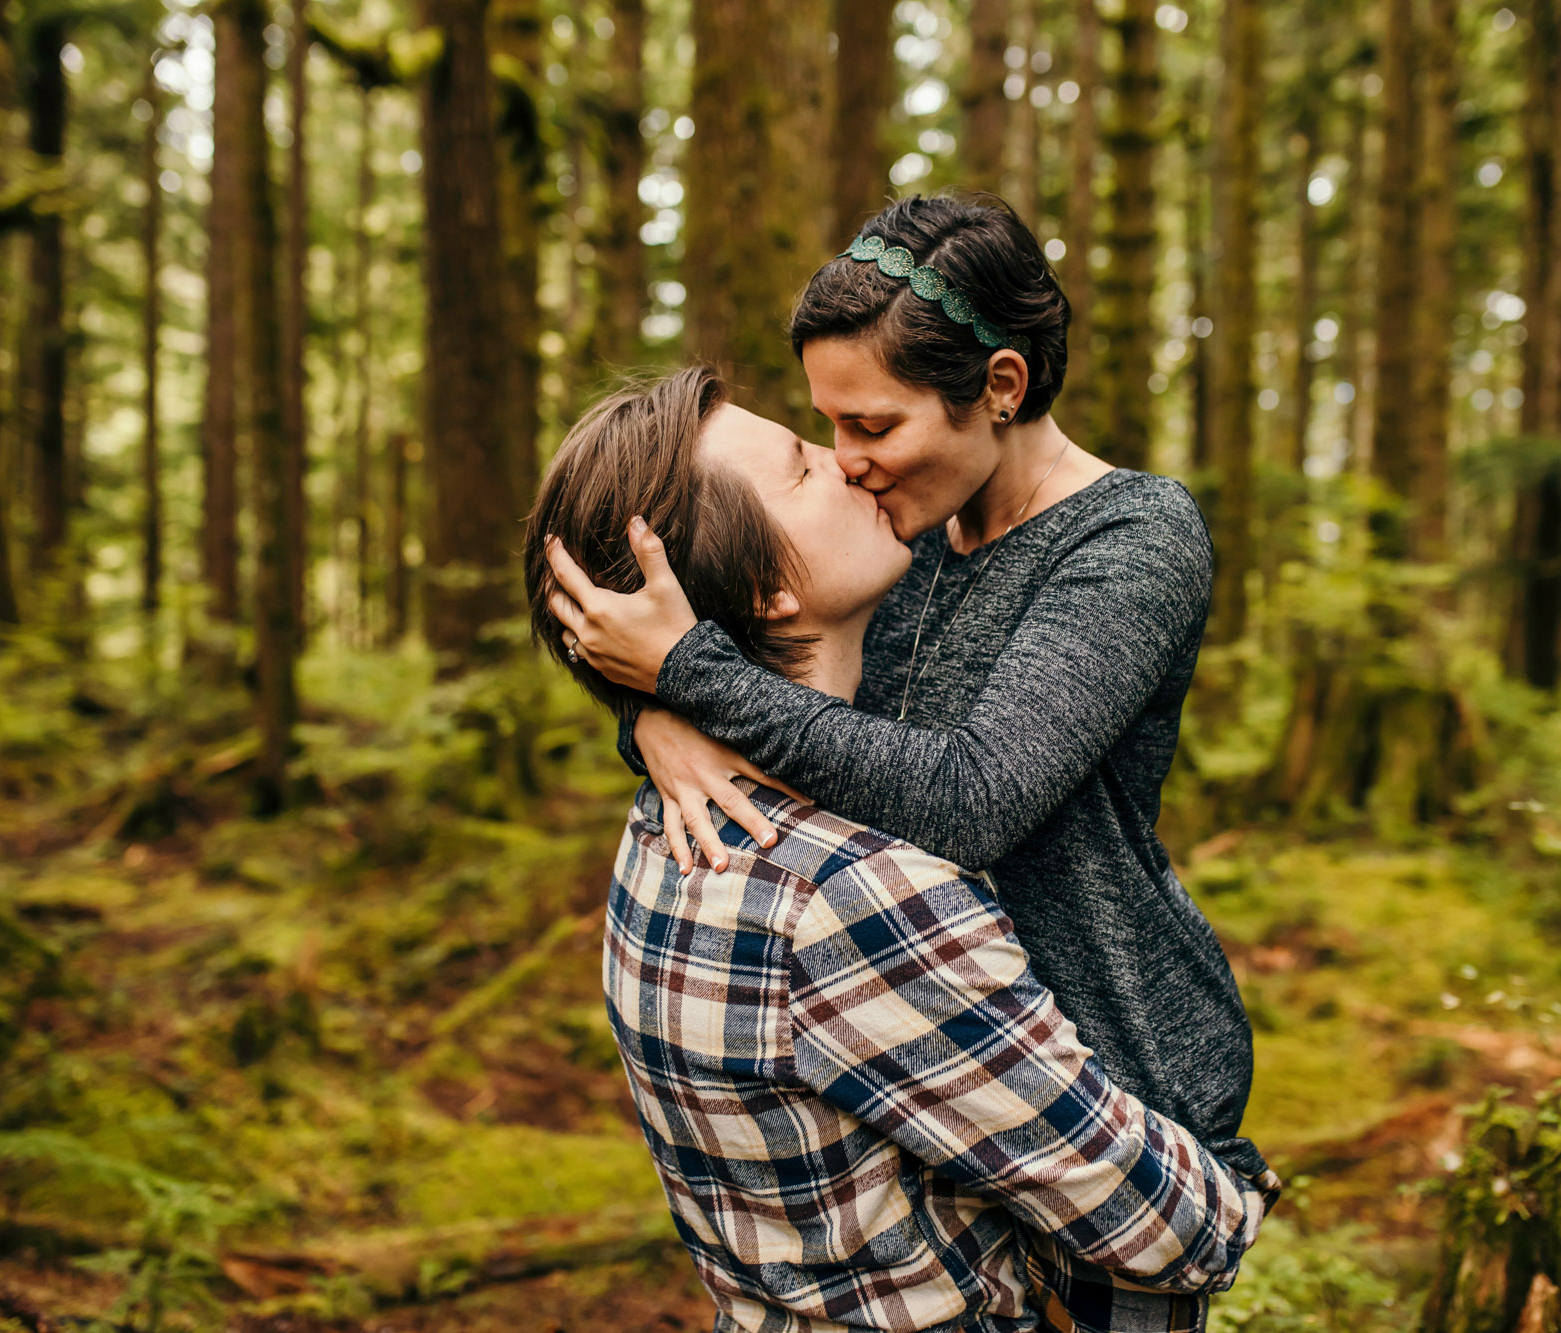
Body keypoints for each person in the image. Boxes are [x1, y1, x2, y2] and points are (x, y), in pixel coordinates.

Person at [544, 196, 1271, 1330]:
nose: (848, 463)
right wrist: (651, 716)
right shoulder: (898, 531)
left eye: (872, 427)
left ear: (999, 387)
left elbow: (971, 797)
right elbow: (777, 659)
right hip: (927, 1064)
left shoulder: (1127, 538)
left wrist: (686, 677)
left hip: (1119, 1080)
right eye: (824, 428)